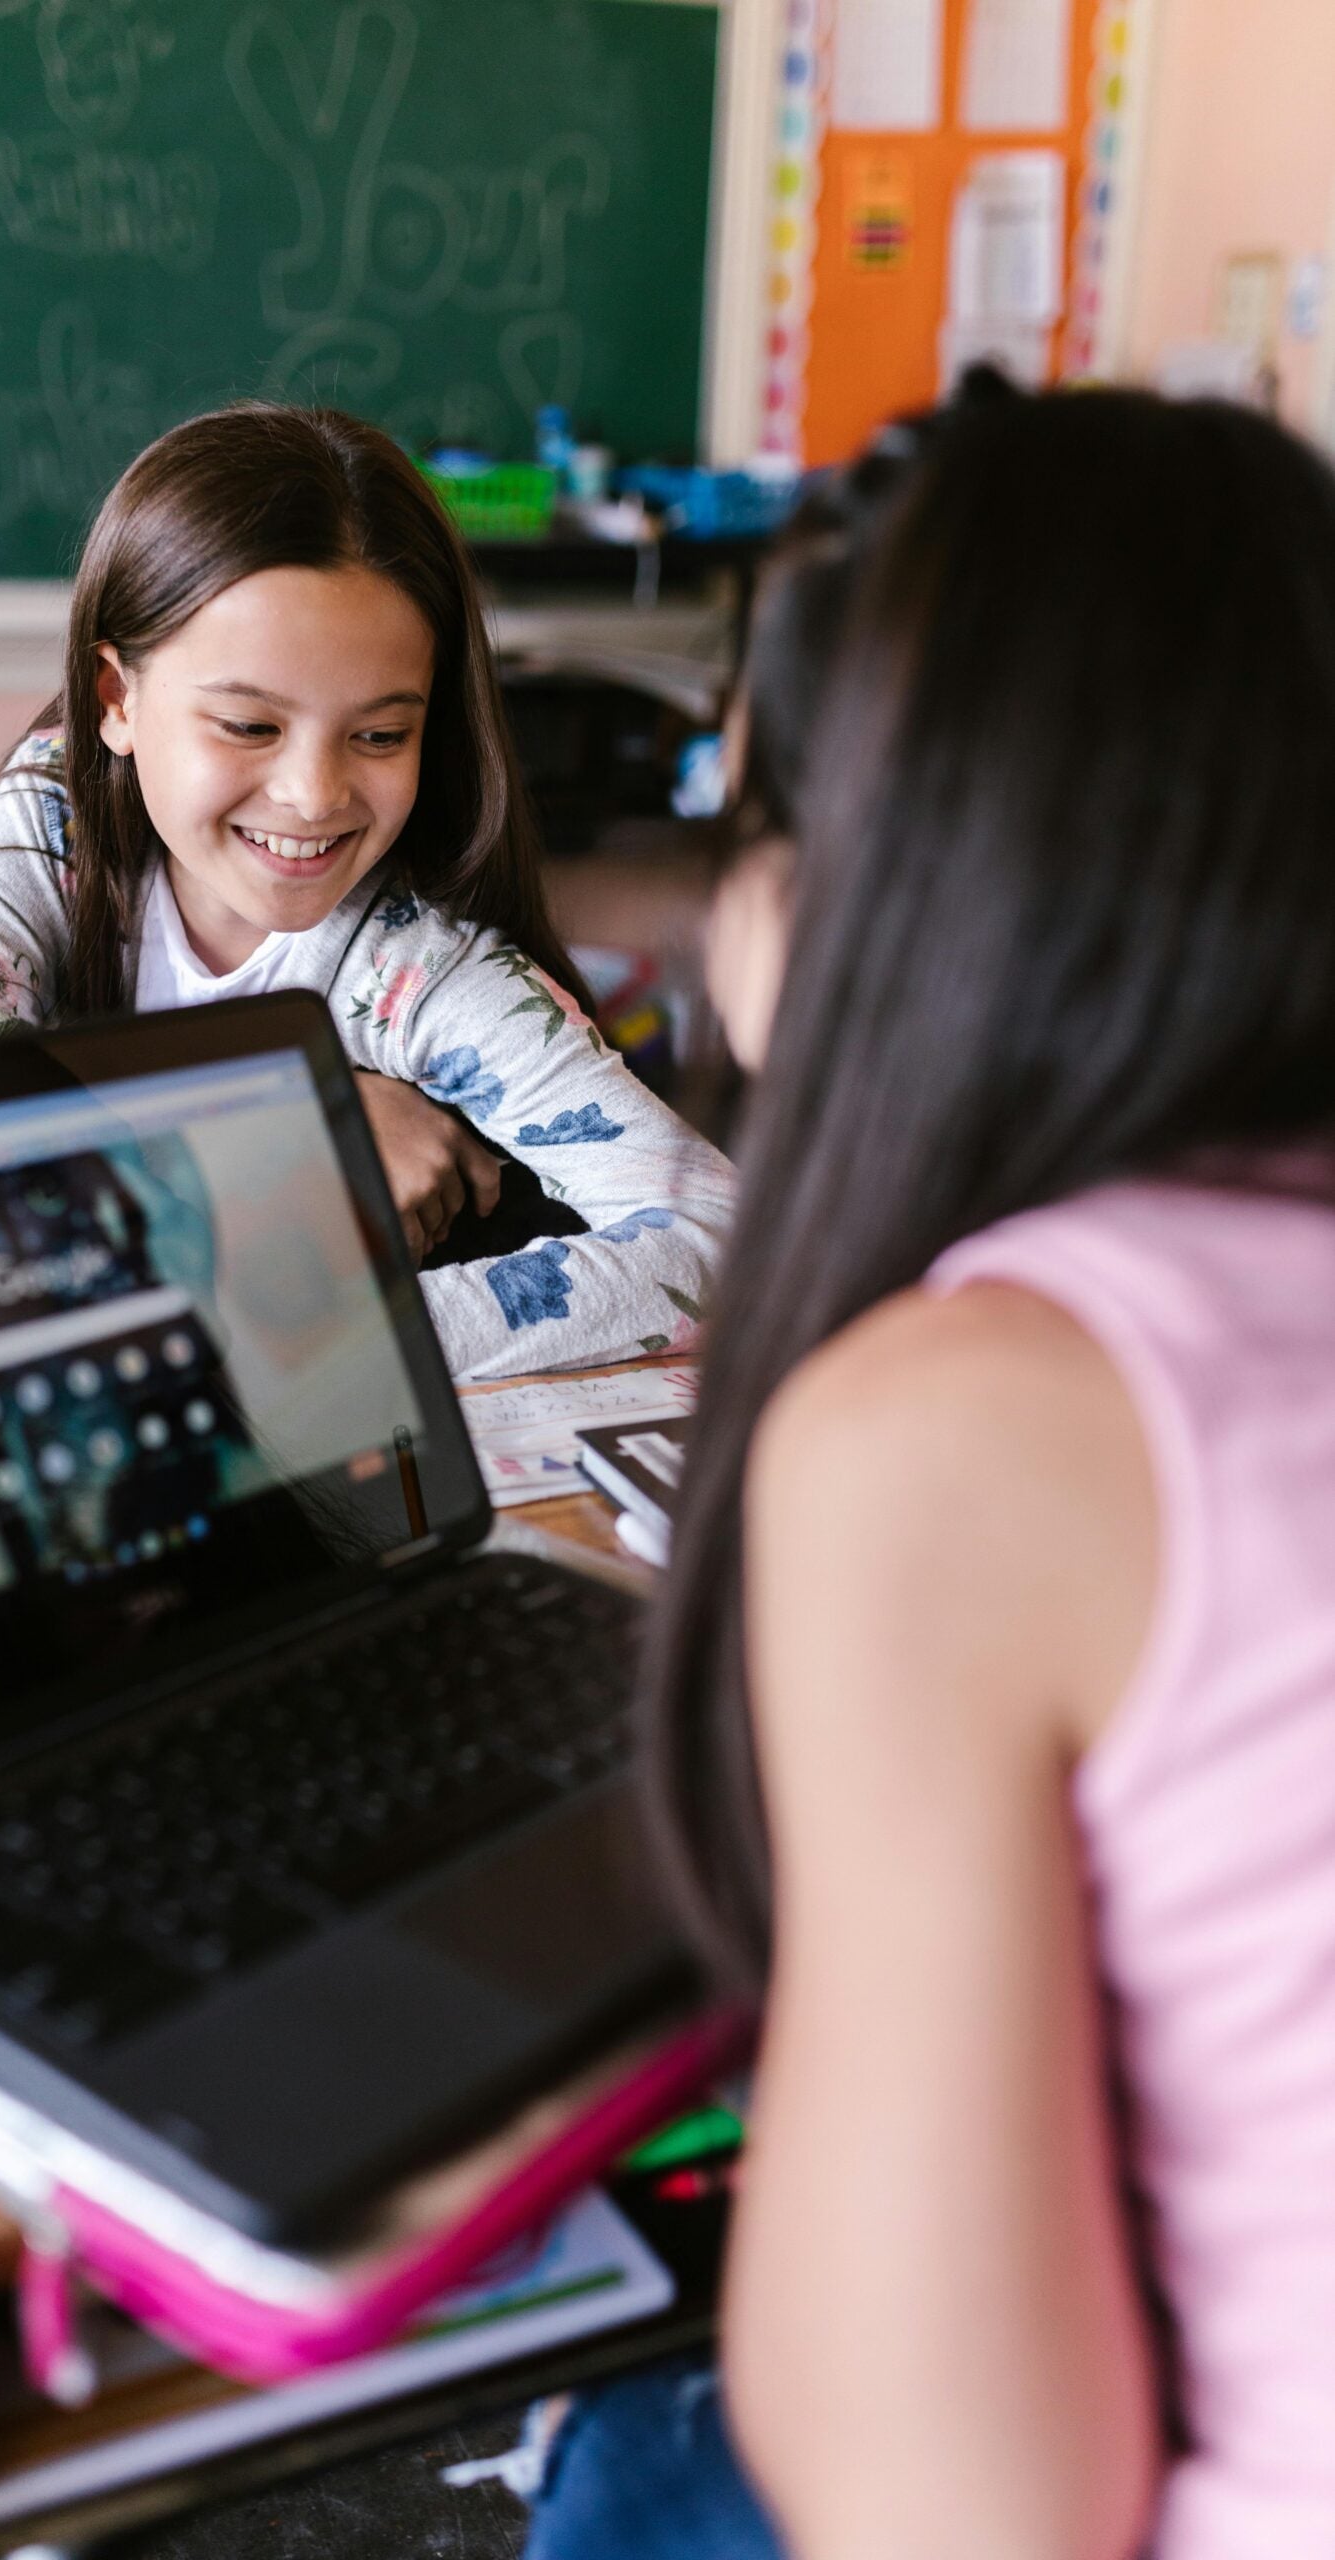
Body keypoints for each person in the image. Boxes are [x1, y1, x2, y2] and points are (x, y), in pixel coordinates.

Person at [527, 384, 1335, 2560]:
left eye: (736, 814)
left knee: (631, 2455)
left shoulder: (963, 1427)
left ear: (853, 893)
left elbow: (949, 2511)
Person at [0, 402, 734, 1384]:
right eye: (250, 728)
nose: (314, 795)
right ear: (116, 701)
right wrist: (284, 1131)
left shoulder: (417, 968)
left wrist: (326, 1336)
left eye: (381, 736)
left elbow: (720, 1238)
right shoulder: (56, 827)